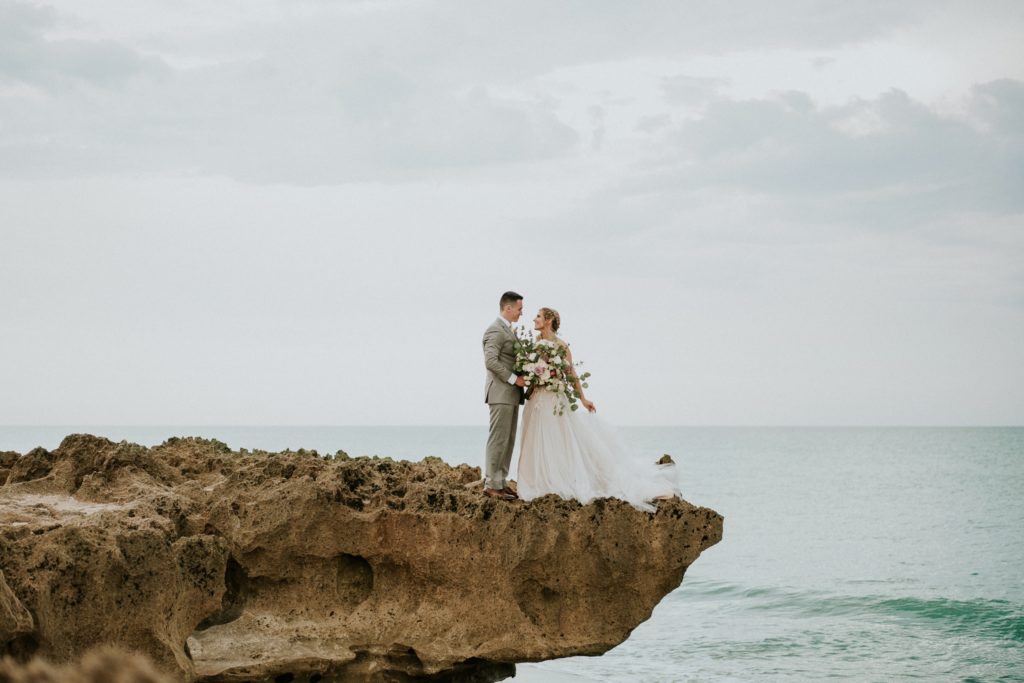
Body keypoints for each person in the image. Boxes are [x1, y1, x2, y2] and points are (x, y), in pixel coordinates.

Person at [516, 307, 680, 511]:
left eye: (538, 316)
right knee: (534, 439)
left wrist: (583, 399)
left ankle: (559, 479)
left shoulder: (561, 346)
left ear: (548, 320)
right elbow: (530, 369)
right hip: (536, 398)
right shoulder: (535, 343)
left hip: (554, 398)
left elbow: (571, 374)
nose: (534, 319)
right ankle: (535, 481)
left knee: (557, 439)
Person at [481, 291, 526, 500]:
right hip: (500, 392)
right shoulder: (495, 330)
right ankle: (491, 485)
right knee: (498, 439)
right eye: (519, 309)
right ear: (507, 308)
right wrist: (513, 379)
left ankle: (501, 482)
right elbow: (490, 361)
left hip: (511, 395)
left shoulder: (508, 330)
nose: (521, 313)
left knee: (508, 440)